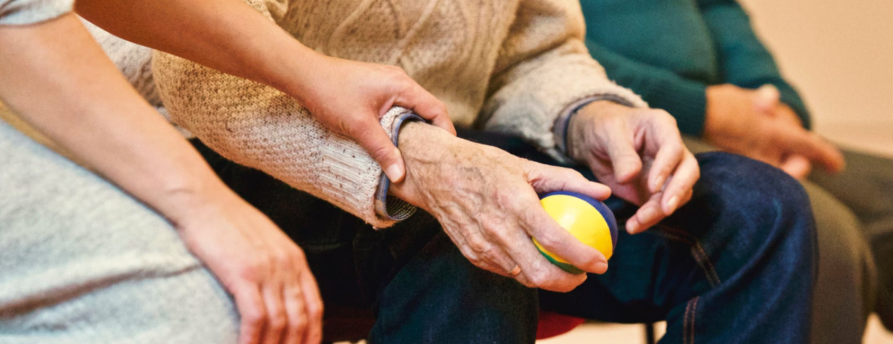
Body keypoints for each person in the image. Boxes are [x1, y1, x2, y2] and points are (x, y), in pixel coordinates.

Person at [131, 0, 820, 342]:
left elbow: (533, 51)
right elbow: (201, 79)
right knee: (467, 231)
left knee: (757, 211)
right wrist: (418, 162)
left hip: (452, 146)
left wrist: (593, 114)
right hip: (225, 154)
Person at [0, 0, 456, 343]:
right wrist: (204, 205)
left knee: (473, 232)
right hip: (179, 132)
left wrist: (316, 74)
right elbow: (22, 16)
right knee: (198, 311)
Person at [578, 0, 890, 340]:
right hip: (599, 124)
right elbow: (541, 49)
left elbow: (718, 7)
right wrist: (705, 111)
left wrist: (777, 109)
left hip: (725, 120)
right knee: (803, 224)